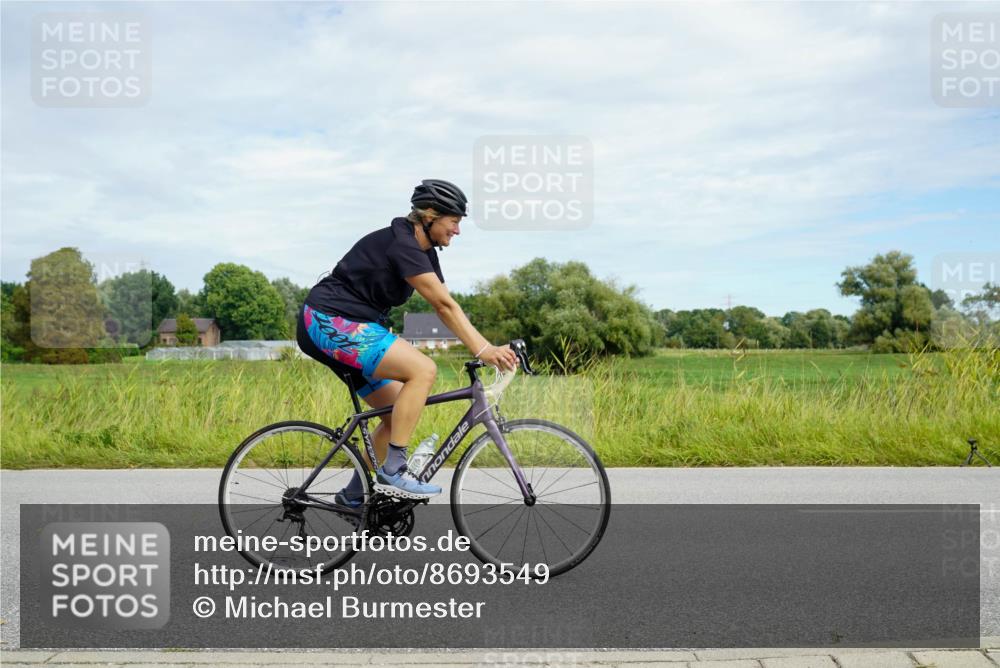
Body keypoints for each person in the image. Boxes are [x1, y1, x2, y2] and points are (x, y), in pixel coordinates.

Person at [296, 179, 517, 506]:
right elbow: (444, 307)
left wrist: (486, 347)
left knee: (398, 410)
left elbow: (445, 304)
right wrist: (485, 350)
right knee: (423, 370)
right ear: (430, 215)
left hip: (352, 323)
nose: (457, 230)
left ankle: (354, 495)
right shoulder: (403, 245)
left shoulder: (424, 251)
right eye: (453, 221)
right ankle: (394, 470)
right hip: (327, 319)